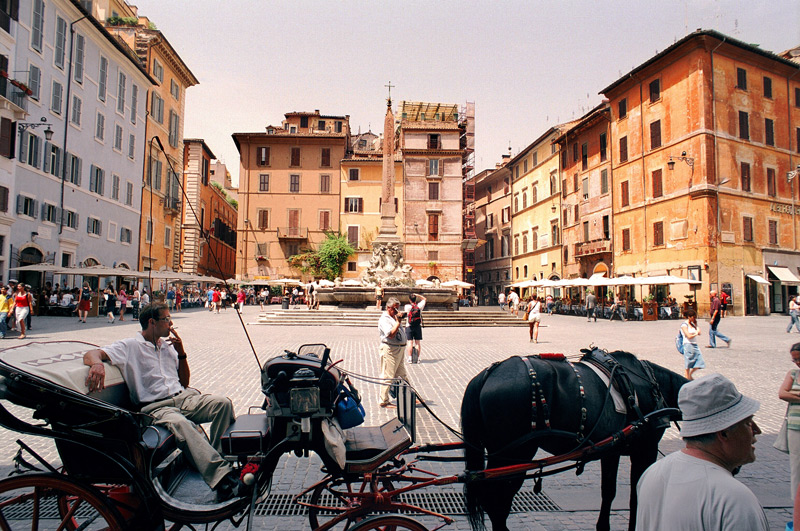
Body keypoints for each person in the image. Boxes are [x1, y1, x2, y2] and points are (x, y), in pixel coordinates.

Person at [83, 303, 244, 501]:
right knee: (181, 424)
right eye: (166, 319)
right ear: (152, 322)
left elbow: (184, 382)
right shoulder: (130, 346)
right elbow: (92, 354)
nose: (171, 323)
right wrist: (98, 365)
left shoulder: (167, 347)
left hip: (182, 398)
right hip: (155, 407)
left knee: (222, 404)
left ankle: (220, 465)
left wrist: (181, 353)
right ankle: (223, 478)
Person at [636, 373, 767, 530]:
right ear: (724, 433)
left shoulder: (652, 474)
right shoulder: (735, 499)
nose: (757, 430)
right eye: (747, 423)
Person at [378, 297, 409, 408]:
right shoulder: (384, 319)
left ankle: (409, 396)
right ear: (388, 308)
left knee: (402, 375)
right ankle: (384, 400)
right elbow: (390, 334)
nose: (396, 311)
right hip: (390, 349)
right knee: (388, 375)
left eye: (397, 308)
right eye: (394, 308)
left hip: (399, 349)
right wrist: (398, 321)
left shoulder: (393, 317)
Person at [779, 343, 800, 502]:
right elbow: (782, 393)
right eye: (794, 360)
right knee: (796, 466)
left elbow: (788, 393)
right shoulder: (793, 374)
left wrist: (793, 394)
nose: (797, 363)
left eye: (799, 359)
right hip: (795, 426)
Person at [680, 308, 705, 380]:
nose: (694, 318)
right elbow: (688, 336)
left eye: (695, 317)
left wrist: (696, 329)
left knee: (700, 362)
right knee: (687, 365)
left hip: (694, 345)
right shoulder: (684, 325)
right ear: (689, 317)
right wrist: (695, 333)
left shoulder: (693, 323)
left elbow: (699, 332)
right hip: (688, 345)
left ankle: (690, 375)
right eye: (693, 317)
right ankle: (686, 379)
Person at [404, 293, 426, 364]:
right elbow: (424, 299)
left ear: (409, 300)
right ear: (415, 299)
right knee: (417, 342)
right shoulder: (419, 306)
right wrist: (417, 295)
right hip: (417, 326)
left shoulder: (407, 306)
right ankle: (418, 358)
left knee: (410, 342)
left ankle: (410, 358)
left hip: (409, 325)